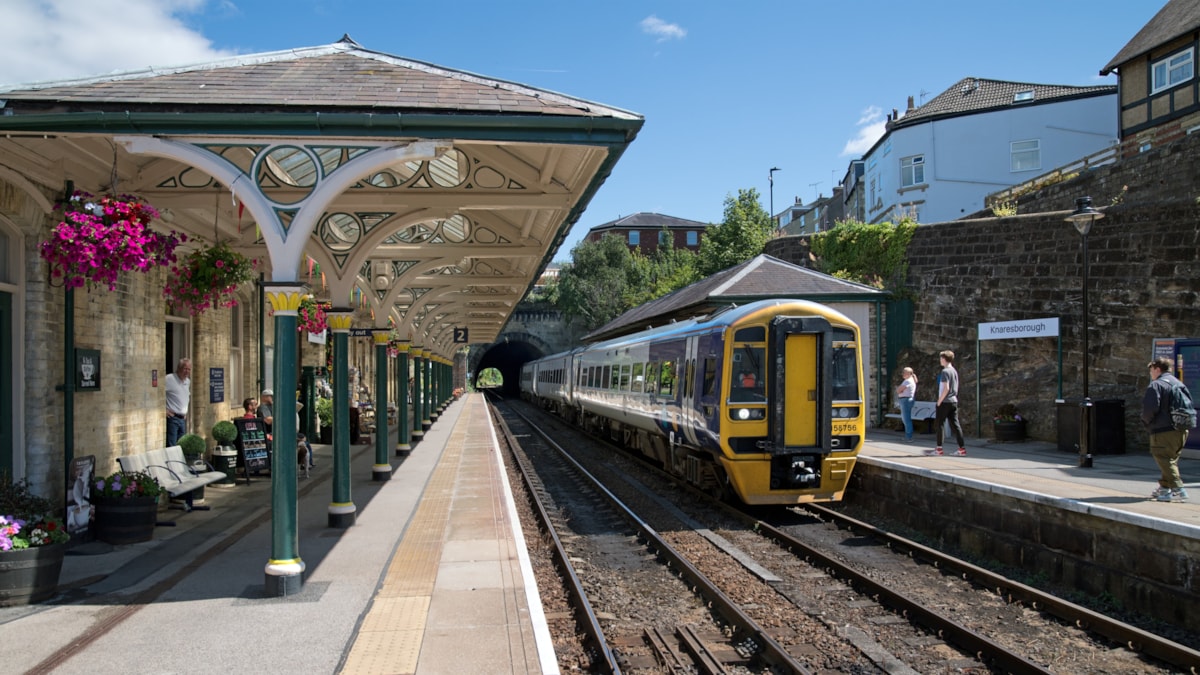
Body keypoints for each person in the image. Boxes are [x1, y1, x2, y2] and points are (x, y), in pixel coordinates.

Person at [1141, 357, 1190, 502]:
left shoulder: (1156, 385)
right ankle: (1164, 488)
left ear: (1157, 369)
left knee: (1163, 458)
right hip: (1182, 428)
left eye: (1151, 370)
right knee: (1170, 459)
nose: (1151, 373)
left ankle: (1178, 489)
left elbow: (1150, 408)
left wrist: (1146, 422)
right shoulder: (1178, 384)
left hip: (1163, 429)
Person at [925, 350, 966, 456]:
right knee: (956, 425)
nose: (940, 360)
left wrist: (939, 401)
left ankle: (939, 449)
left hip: (944, 401)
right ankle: (962, 449)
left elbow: (946, 388)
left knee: (939, 425)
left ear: (944, 359)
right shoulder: (954, 371)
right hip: (953, 401)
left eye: (941, 358)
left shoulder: (945, 372)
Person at [165, 358, 192, 447]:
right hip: (173, 419)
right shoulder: (169, 379)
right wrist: (164, 410)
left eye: (189, 369)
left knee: (181, 446)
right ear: (179, 368)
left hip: (182, 419)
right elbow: (156, 393)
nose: (187, 372)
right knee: (172, 446)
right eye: (185, 369)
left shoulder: (187, 381)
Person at [895, 366, 918, 442]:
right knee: (905, 418)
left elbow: (898, 390)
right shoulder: (909, 380)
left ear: (909, 373)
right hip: (906, 400)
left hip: (906, 400)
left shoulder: (908, 381)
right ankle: (908, 436)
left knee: (906, 419)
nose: (902, 374)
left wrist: (900, 390)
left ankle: (909, 437)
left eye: (904, 372)